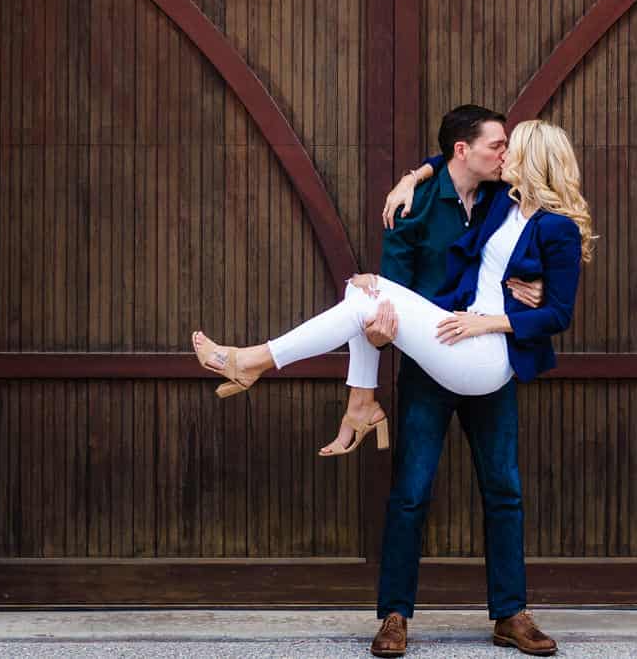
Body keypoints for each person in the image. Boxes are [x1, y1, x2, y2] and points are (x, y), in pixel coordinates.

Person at [190, 115, 597, 657]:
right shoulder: (426, 203)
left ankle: (511, 613)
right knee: (409, 489)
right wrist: (413, 177)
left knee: (504, 490)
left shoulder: (520, 202)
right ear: (463, 150)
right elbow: (439, 184)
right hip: (433, 361)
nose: (503, 156)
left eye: (509, 148)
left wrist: (505, 311)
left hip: (486, 356)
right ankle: (395, 616)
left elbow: (558, 309)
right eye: (496, 147)